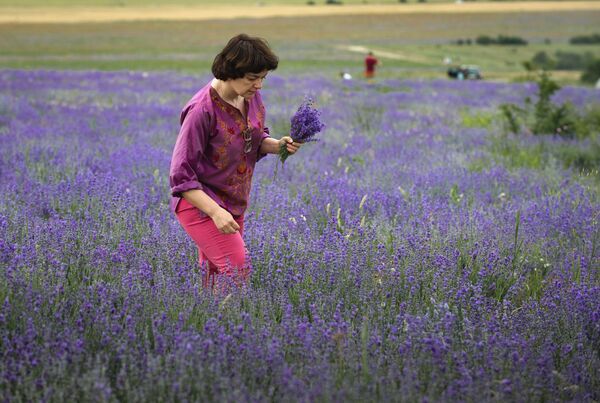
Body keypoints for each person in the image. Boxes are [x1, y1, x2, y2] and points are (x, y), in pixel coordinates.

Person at [169, 34, 302, 291]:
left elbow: (252, 138)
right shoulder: (201, 110)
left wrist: (278, 146)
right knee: (237, 271)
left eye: (263, 78)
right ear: (231, 71)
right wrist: (216, 212)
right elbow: (180, 176)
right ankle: (239, 328)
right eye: (253, 78)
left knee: (215, 279)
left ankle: (209, 326)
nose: (259, 85)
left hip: (233, 202)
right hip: (201, 205)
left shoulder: (250, 98)